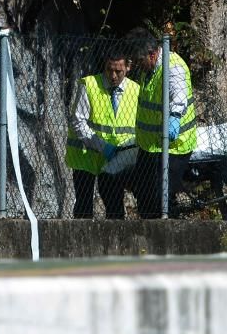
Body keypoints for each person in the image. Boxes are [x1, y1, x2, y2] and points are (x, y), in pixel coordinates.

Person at [125, 26, 197, 219]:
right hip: (150, 145)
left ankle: (170, 237)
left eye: (140, 60)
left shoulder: (172, 66)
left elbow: (179, 95)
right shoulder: (148, 69)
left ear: (153, 54)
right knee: (143, 195)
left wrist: (174, 118)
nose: (138, 65)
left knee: (162, 197)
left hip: (174, 145)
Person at [65, 49, 138, 219]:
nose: (113, 76)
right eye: (109, 70)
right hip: (86, 156)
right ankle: (82, 242)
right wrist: (102, 147)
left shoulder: (135, 90)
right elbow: (78, 121)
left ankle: (117, 242)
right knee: (83, 204)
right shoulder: (89, 84)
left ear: (128, 68)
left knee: (114, 203)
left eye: (118, 71)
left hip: (117, 158)